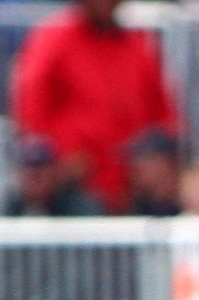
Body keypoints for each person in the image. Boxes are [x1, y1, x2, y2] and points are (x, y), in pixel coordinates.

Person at [9, 0, 178, 210]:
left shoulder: (137, 45)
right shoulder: (53, 39)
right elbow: (31, 113)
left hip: (131, 185)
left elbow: (165, 117)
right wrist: (57, 165)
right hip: (72, 186)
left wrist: (157, 160)